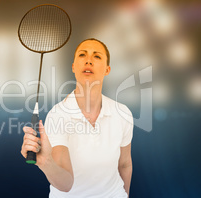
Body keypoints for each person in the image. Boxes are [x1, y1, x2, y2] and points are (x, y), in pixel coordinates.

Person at [21, 38, 134, 197]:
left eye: (97, 56)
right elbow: (65, 184)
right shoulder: (58, 115)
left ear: (107, 69)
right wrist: (45, 162)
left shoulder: (123, 113)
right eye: (82, 55)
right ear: (73, 67)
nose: (88, 60)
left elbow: (124, 164)